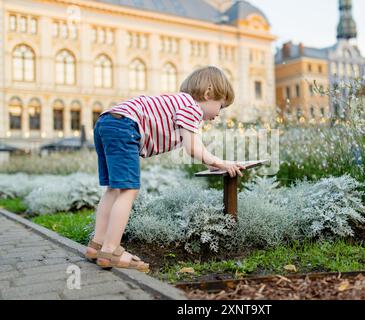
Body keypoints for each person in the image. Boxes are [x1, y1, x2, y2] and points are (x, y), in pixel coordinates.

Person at [85, 66, 245, 272]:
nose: (218, 115)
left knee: (113, 189)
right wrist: (221, 162)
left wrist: (213, 164)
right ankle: (110, 250)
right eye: (220, 106)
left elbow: (195, 147)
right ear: (208, 94)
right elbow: (194, 148)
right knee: (128, 190)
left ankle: (96, 245)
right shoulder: (192, 108)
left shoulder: (179, 103)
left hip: (107, 123)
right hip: (125, 127)